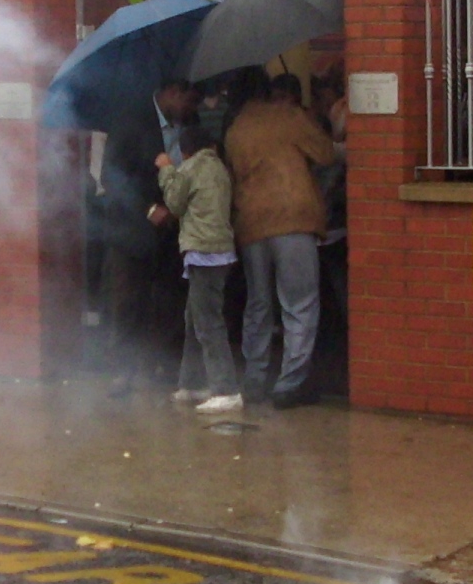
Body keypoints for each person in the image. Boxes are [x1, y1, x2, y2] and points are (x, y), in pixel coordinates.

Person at [225, 72, 335, 408]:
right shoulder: (288, 116)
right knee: (299, 303)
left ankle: (254, 379)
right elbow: (326, 153)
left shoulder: (235, 129)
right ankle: (290, 383)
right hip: (293, 217)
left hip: (251, 222)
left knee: (258, 303)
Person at [97, 79, 201, 395]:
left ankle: (163, 367)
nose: (190, 109)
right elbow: (111, 176)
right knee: (128, 301)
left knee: (170, 300)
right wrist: (148, 208)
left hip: (173, 230)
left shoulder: (189, 123)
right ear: (172, 93)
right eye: (187, 101)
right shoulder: (131, 121)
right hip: (131, 228)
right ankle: (123, 371)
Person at [155, 125, 241, 415]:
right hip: (220, 251)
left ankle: (226, 390)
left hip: (204, 253)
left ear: (184, 151)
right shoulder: (220, 168)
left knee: (208, 323)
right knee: (194, 319)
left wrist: (166, 170)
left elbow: (174, 203)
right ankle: (192, 383)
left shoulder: (190, 168)